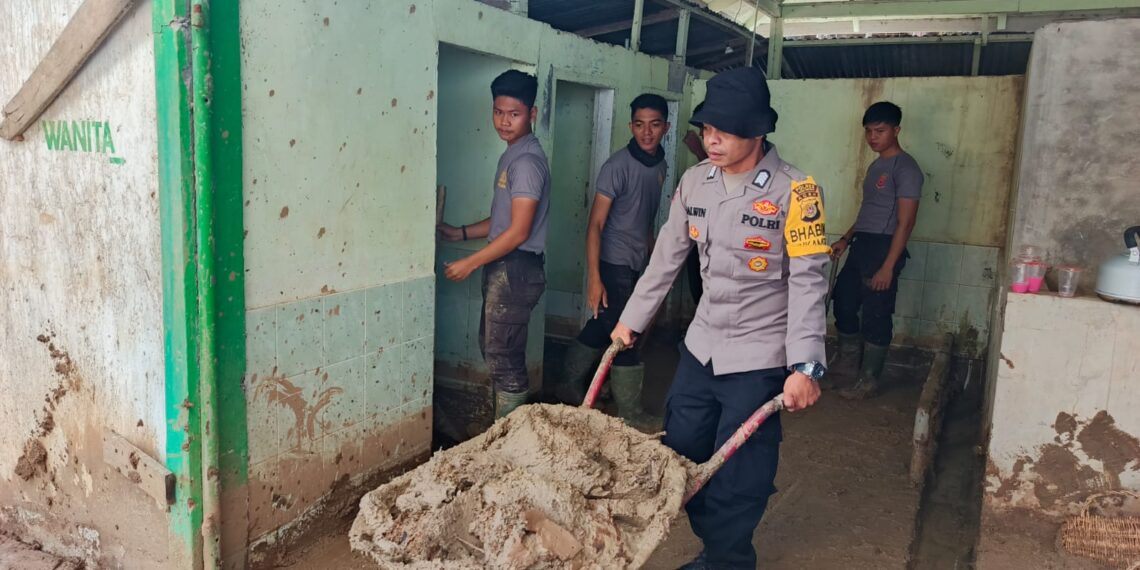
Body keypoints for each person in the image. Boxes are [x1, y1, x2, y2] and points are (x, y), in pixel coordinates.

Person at [610, 68, 828, 569]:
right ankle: (719, 538)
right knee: (680, 452)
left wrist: (805, 366)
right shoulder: (695, 181)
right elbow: (665, 258)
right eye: (707, 129)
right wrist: (631, 321)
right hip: (702, 345)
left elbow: (809, 282)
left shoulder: (798, 192)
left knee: (740, 469)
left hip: (759, 355)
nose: (711, 140)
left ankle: (728, 559)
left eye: (724, 131)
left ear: (756, 131)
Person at [550, 94, 670, 430]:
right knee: (626, 333)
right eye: (639, 124)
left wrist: (656, 264)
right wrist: (594, 278)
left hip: (635, 261)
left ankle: (567, 385)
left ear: (666, 127)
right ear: (630, 126)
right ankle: (630, 413)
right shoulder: (617, 167)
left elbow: (646, 220)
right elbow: (595, 225)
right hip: (612, 261)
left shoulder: (660, 165)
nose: (647, 132)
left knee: (600, 325)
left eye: (654, 124)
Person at [437, 70, 551, 418]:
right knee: (494, 350)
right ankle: (505, 427)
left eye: (514, 114)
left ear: (532, 114)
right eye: (498, 112)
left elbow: (518, 232)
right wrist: (460, 233)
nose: (504, 121)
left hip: (517, 268)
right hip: (508, 266)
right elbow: (504, 219)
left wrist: (470, 263)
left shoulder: (527, 162)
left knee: (503, 356)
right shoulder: (513, 154)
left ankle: (512, 435)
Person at [830, 101, 923, 400]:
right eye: (869, 131)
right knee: (843, 300)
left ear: (896, 130)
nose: (873, 137)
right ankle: (847, 365)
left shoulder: (906, 168)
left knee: (876, 313)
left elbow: (906, 222)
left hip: (884, 247)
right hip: (862, 244)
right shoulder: (876, 166)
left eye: (880, 131)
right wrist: (846, 238)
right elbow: (869, 210)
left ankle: (868, 379)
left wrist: (888, 266)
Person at [681, 102, 708, 307]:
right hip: (697, 236)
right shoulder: (691, 177)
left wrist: (699, 150)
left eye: (704, 128)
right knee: (698, 292)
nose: (701, 133)